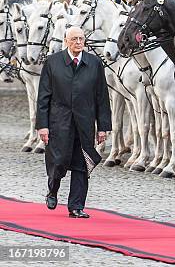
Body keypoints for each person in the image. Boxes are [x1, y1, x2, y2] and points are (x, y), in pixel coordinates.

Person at [36, 26, 111, 218]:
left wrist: (103, 127)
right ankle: (53, 190)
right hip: (59, 123)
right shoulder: (53, 62)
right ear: (66, 41)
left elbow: (102, 97)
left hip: (85, 123)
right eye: (74, 39)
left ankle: (76, 206)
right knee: (58, 161)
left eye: (81, 39)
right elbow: (43, 97)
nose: (78, 42)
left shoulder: (94, 63)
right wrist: (42, 125)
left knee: (82, 164)